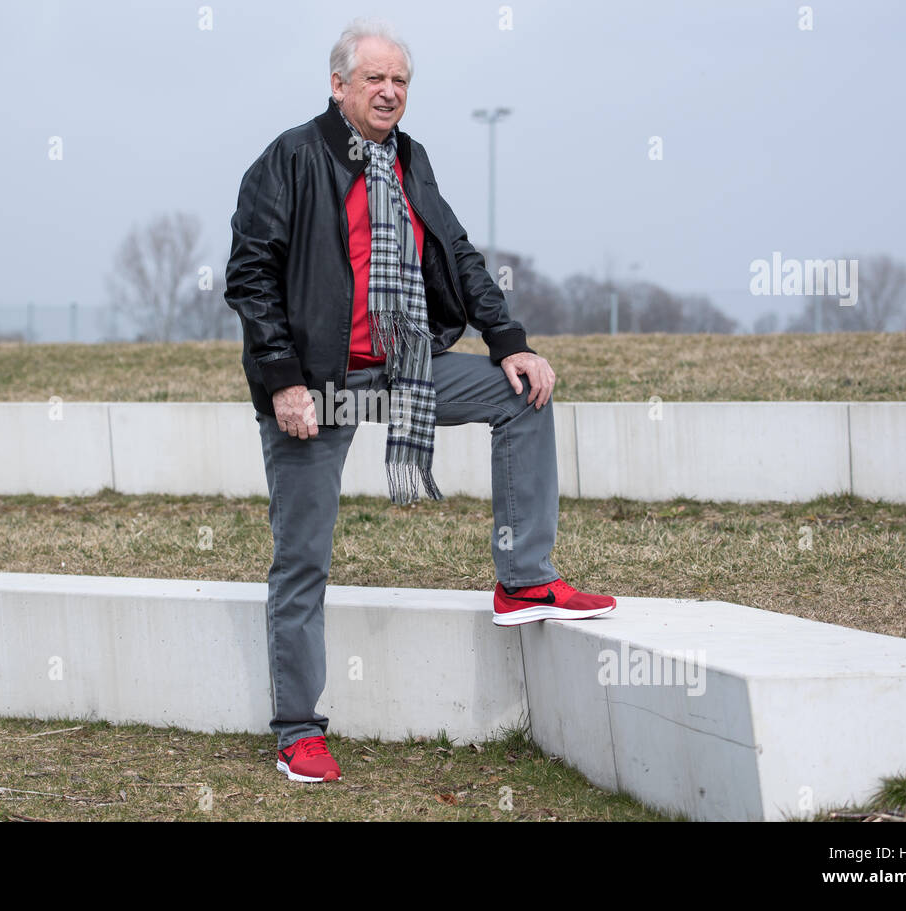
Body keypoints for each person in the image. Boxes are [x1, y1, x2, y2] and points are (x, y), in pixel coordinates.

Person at [224, 18, 616, 784]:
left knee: (522, 397)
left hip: (406, 368)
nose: (389, 91)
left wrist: (511, 342)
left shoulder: (411, 159)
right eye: (374, 78)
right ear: (338, 85)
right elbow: (251, 274)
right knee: (302, 559)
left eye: (400, 80)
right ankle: (298, 729)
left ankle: (524, 575)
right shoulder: (291, 159)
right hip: (320, 384)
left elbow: (459, 254)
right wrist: (284, 381)